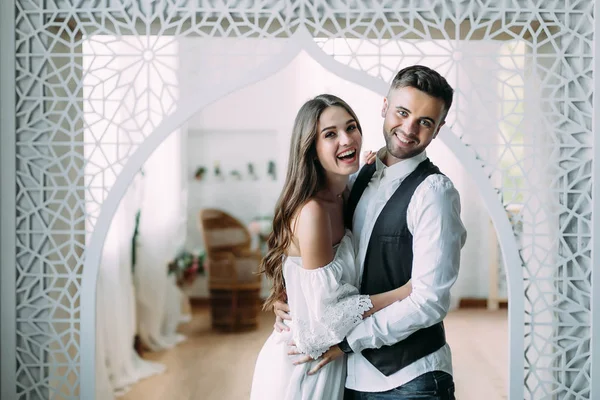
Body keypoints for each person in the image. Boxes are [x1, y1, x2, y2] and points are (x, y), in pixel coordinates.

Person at [274, 65, 467, 399]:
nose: (408, 129)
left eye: (425, 122)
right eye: (402, 112)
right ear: (384, 107)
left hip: (410, 380)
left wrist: (350, 341)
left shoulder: (434, 192)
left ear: (438, 128)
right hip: (350, 377)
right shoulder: (356, 177)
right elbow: (313, 254)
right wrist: (289, 298)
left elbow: (430, 301)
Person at [249, 94, 413, 400]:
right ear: (311, 149)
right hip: (304, 368)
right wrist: (404, 293)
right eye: (330, 134)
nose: (347, 139)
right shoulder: (312, 212)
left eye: (351, 127)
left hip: (334, 362)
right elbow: (325, 320)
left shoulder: (346, 193)